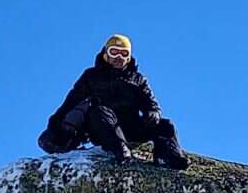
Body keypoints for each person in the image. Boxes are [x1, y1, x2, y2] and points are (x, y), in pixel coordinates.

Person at [40, 35, 188, 169]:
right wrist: (53, 127)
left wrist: (153, 113)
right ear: (105, 54)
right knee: (99, 111)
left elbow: (151, 104)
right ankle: (120, 150)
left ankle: (171, 157)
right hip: (103, 128)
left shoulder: (137, 79)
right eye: (114, 52)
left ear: (129, 57)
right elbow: (70, 102)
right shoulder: (91, 77)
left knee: (165, 125)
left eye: (124, 53)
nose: (119, 57)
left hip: (131, 127)